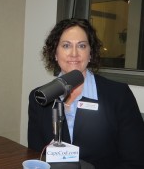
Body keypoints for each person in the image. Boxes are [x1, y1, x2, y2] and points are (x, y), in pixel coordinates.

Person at [28, 18, 144, 169]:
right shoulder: (39, 96)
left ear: (90, 53)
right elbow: (36, 156)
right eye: (66, 45)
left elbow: (135, 162)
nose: (74, 53)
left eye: (81, 46)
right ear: (55, 54)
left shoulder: (119, 95)